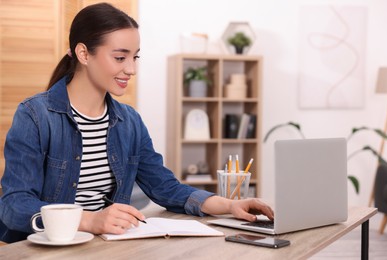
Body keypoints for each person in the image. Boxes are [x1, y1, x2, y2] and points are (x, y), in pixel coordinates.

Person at [0, 2, 273, 243]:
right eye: (120, 57)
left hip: (108, 246)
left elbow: (165, 187)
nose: (131, 69)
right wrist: (89, 220)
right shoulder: (35, 116)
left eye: (135, 57)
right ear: (83, 54)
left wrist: (230, 205)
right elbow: (14, 206)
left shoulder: (128, 121)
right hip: (49, 250)